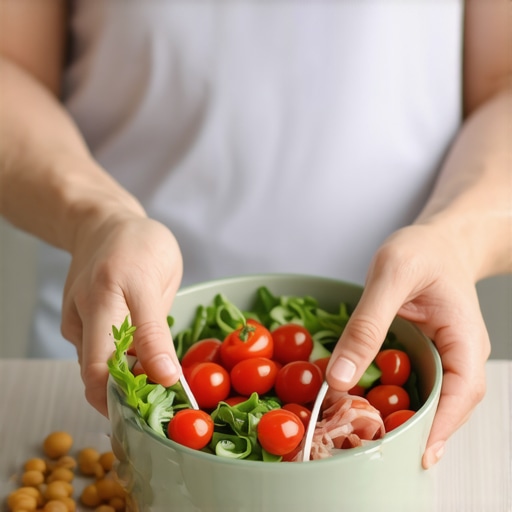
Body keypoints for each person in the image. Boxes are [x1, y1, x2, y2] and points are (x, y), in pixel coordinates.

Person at [0, 0, 510, 471]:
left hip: (402, 337)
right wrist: (97, 215)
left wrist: (458, 238)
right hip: (106, 344)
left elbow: (503, 79)